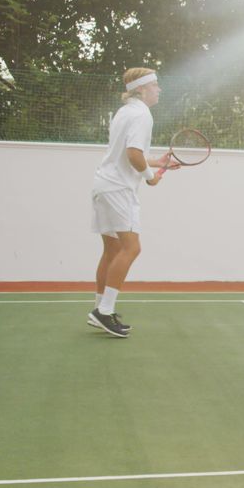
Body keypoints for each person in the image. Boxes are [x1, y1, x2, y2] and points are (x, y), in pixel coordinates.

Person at [87, 67, 176, 337]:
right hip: (118, 190)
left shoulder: (125, 112)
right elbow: (134, 154)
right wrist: (150, 177)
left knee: (112, 251)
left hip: (104, 185)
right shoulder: (141, 115)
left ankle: (100, 309)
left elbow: (128, 155)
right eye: (155, 85)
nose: (159, 90)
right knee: (131, 248)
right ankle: (103, 312)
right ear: (142, 89)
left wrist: (156, 162)